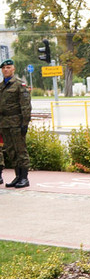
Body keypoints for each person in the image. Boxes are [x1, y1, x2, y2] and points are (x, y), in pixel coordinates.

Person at [0, 58, 31, 188]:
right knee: (11, 151)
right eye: (4, 68)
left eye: (8, 68)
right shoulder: (1, 86)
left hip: (17, 123)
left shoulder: (19, 84)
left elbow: (26, 106)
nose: (6, 70)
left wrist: (25, 124)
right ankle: (17, 176)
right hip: (5, 123)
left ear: (13, 69)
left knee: (20, 150)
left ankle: (24, 178)